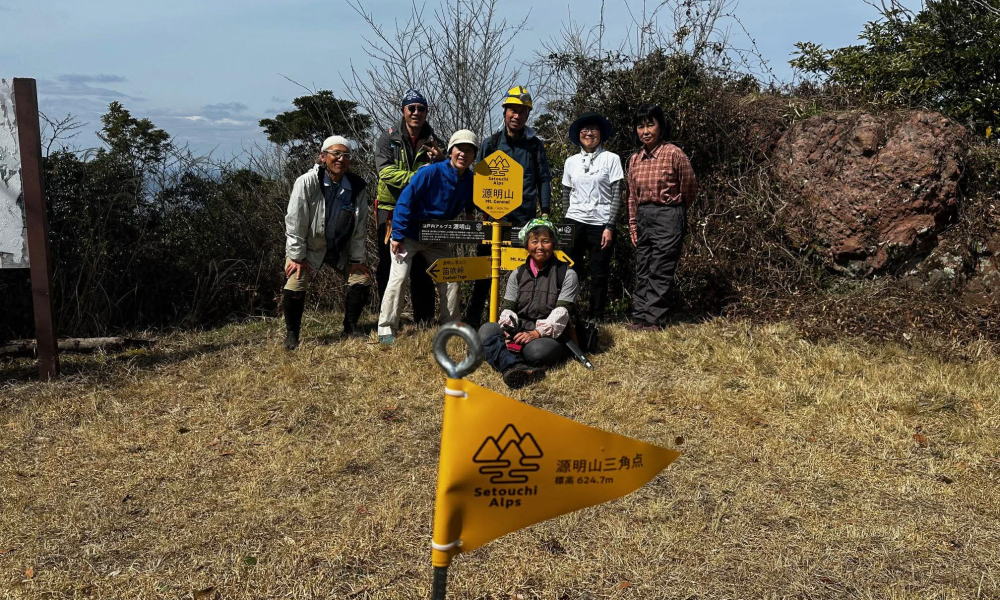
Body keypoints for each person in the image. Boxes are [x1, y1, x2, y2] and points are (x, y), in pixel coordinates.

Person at [376, 130, 479, 344]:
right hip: (409, 233)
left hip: (437, 235)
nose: (463, 154)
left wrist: (470, 213)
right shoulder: (430, 172)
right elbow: (405, 201)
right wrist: (397, 235)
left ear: (473, 156)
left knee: (451, 278)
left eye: (469, 151)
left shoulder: (469, 179)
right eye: (459, 149)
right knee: (399, 278)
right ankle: (386, 328)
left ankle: (450, 325)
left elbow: (469, 198)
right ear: (450, 151)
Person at [464, 85, 552, 327]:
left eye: (522, 111)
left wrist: (545, 211)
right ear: (504, 112)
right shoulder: (491, 143)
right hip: (492, 221)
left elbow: (544, 178)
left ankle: (519, 323)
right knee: (484, 273)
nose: (517, 115)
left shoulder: (535, 146)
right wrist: (476, 211)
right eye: (512, 110)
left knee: (523, 275)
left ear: (527, 115)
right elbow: (477, 180)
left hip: (523, 222)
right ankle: (473, 323)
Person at [283, 135, 372, 350]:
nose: (341, 159)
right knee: (295, 283)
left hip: (340, 248)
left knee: (361, 279)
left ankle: (350, 327)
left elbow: (359, 228)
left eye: (346, 155)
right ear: (323, 157)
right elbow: (295, 222)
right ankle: (292, 334)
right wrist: (296, 257)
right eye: (336, 154)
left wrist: (357, 259)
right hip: (310, 246)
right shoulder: (307, 182)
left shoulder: (357, 187)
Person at [478, 218, 579, 389]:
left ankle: (506, 358)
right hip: (519, 328)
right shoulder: (517, 274)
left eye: (545, 241)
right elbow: (508, 309)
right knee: (486, 330)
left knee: (536, 352)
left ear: (554, 244)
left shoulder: (567, 274)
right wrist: (507, 330)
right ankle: (517, 367)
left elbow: (562, 313)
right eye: (534, 241)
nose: (540, 247)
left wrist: (536, 333)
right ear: (526, 245)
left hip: (548, 334)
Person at [374, 89, 444, 327]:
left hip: (420, 211)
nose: (416, 112)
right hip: (390, 208)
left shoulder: (434, 141)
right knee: (388, 264)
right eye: (411, 108)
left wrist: (441, 160)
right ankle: (387, 318)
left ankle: (424, 319)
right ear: (403, 111)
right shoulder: (388, 139)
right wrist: (418, 178)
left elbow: (444, 173)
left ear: (426, 112)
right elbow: (385, 172)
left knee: (422, 266)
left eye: (421, 108)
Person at [625, 104, 697, 331]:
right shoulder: (635, 159)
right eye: (640, 126)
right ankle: (639, 317)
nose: (645, 131)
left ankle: (654, 319)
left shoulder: (673, 153)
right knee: (643, 267)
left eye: (650, 125)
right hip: (643, 216)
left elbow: (689, 187)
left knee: (660, 267)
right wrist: (633, 225)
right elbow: (632, 196)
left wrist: (675, 212)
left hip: (668, 215)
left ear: (661, 126)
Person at [561, 111, 624, 320]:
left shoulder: (611, 159)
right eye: (585, 129)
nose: (589, 133)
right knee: (570, 270)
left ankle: (596, 316)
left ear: (601, 133)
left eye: (593, 129)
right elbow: (565, 192)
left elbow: (617, 193)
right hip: (575, 220)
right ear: (578, 133)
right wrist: (567, 222)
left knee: (599, 271)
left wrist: (610, 226)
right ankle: (568, 313)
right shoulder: (571, 161)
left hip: (601, 222)